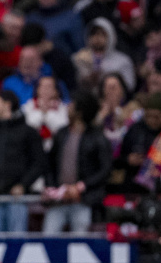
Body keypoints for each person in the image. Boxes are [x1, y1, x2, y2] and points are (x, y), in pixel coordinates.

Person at [0, 90, 46, 232]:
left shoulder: (28, 132)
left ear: (7, 104)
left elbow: (39, 163)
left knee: (16, 244)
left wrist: (23, 185)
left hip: (18, 200)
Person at [42, 93, 112, 233]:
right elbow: (49, 164)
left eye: (72, 105)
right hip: (58, 201)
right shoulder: (61, 134)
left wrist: (81, 186)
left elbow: (105, 170)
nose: (68, 107)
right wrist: (51, 188)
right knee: (49, 236)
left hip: (83, 201)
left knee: (80, 240)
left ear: (80, 112)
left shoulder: (98, 138)